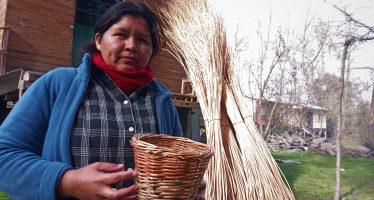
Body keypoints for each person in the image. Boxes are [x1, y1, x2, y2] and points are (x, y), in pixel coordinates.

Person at [0, 2, 203, 199]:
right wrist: (66, 181)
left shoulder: (162, 101)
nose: (131, 46)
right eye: (121, 35)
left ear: (151, 51)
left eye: (142, 40)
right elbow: (4, 155)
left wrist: (184, 188)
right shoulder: (58, 85)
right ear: (98, 40)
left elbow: (176, 167)